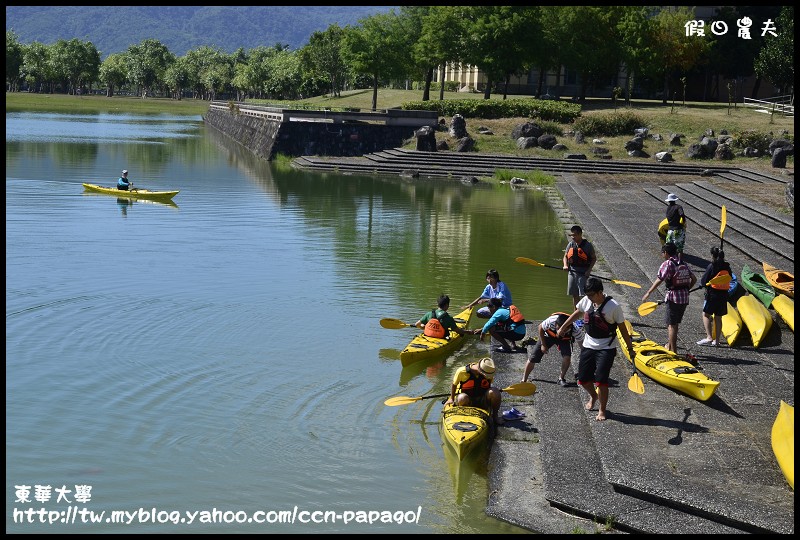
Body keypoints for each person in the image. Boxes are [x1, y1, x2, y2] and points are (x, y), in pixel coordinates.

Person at [557, 277, 635, 422]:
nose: (589, 298)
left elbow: (623, 329)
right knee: (583, 379)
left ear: (600, 292)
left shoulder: (613, 306)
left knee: (601, 380)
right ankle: (593, 396)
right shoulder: (587, 301)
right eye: (587, 295)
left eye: (592, 295)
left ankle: (602, 409)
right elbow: (577, 313)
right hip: (588, 345)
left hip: (606, 347)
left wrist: (630, 348)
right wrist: (563, 327)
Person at [641, 242, 697, 353]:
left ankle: (673, 351)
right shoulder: (683, 263)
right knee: (675, 324)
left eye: (662, 253)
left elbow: (660, 279)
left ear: (666, 253)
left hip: (673, 298)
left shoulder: (668, 264)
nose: (662, 255)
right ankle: (669, 346)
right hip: (684, 298)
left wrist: (648, 292)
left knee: (671, 325)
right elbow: (694, 279)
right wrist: (687, 290)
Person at [522, 312, 585, 387]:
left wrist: (585, 355)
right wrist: (543, 344)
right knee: (533, 357)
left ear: (569, 328)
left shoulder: (575, 330)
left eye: (564, 330)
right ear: (556, 325)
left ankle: (561, 378)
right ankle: (524, 379)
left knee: (567, 357)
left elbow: (582, 346)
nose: (560, 331)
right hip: (548, 335)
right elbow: (540, 327)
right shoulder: (551, 321)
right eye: (558, 329)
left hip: (564, 340)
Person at [445, 357, 501, 427]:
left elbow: (488, 386)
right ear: (481, 371)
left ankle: (495, 416)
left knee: (495, 392)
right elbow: (454, 385)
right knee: (462, 398)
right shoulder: (462, 371)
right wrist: (452, 399)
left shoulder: (488, 370)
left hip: (482, 399)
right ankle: (465, 416)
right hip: (468, 399)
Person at [697, 247, 732, 347]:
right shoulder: (727, 267)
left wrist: (704, 284)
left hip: (712, 295)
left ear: (713, 256)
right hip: (723, 296)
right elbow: (729, 278)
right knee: (718, 318)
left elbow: (704, 281)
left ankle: (709, 337)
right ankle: (717, 341)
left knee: (705, 315)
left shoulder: (712, 266)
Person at [563, 226, 597, 308]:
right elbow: (565, 256)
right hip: (572, 271)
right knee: (574, 294)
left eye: (575, 235)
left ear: (580, 234)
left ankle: (588, 314)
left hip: (583, 272)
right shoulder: (571, 244)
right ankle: (576, 315)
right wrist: (565, 265)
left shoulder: (588, 246)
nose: (573, 237)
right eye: (572, 235)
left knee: (584, 295)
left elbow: (594, 258)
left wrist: (589, 270)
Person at [664, 193, 687, 258]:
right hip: (678, 230)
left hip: (670, 230)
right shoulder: (678, 207)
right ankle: (679, 262)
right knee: (679, 249)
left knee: (669, 248)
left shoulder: (668, 208)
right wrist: (684, 221)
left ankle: (669, 262)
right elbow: (681, 214)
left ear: (668, 201)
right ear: (675, 200)